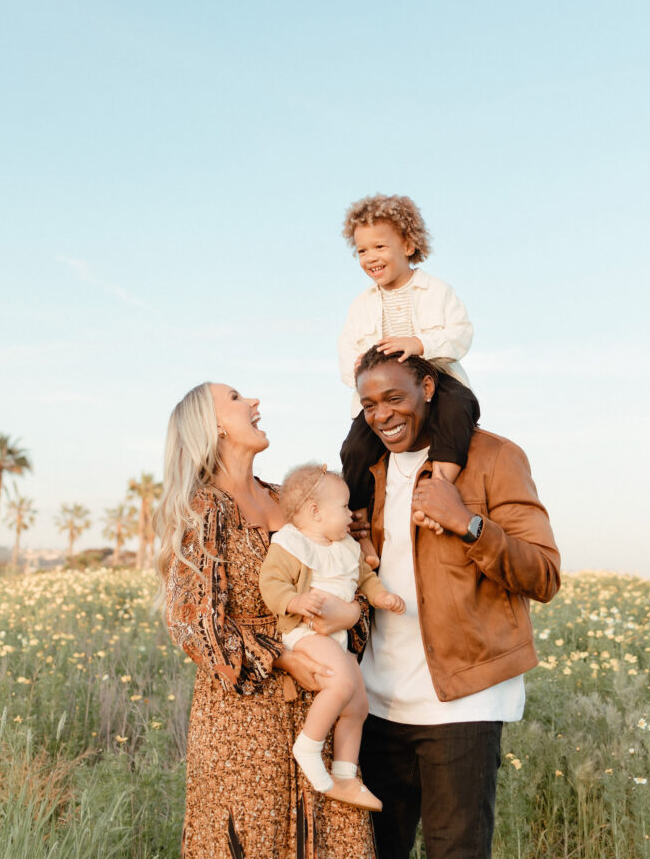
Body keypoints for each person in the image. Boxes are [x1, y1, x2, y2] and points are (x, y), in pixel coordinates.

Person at [350, 347, 561, 859]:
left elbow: (545, 573)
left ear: (428, 388)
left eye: (394, 397)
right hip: (375, 705)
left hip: (464, 702)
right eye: (369, 404)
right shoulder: (365, 472)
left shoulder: (494, 457)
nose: (382, 414)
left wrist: (468, 523)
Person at [154, 382, 376, 859]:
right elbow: (193, 623)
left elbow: (345, 581)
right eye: (236, 398)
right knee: (252, 839)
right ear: (213, 426)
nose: (254, 402)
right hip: (244, 721)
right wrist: (282, 659)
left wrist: (353, 609)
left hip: (322, 701)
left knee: (335, 839)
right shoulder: (203, 509)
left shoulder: (294, 501)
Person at [337, 193, 480, 568]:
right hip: (384, 389)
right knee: (354, 449)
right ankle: (361, 525)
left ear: (409, 244)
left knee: (458, 410)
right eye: (361, 250)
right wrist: (355, 370)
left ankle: (439, 489)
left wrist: (420, 344)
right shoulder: (362, 304)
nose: (370, 257)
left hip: (434, 375)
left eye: (380, 246)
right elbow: (346, 347)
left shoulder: (435, 291)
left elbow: (460, 334)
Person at [259, 462, 405, 810]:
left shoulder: (345, 547)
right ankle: (307, 746)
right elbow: (271, 582)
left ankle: (344, 774)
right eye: (343, 507)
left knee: (358, 705)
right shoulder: (293, 544)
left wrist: (380, 595)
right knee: (340, 685)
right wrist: (294, 600)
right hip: (305, 632)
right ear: (315, 512)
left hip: (336, 638)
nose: (350, 514)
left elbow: (364, 580)